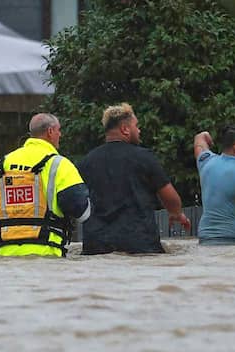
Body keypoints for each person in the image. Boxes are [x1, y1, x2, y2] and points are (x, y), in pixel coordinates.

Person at [78, 103, 189, 255]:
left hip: (96, 245)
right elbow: (170, 197)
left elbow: (77, 201)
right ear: (125, 129)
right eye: (136, 126)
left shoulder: (86, 162)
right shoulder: (144, 157)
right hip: (139, 244)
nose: (139, 130)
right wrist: (176, 213)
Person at [0, 113, 90, 257]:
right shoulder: (60, 165)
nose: (60, 134)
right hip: (47, 254)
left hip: (3, 257)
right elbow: (82, 212)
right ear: (50, 131)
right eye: (59, 130)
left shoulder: (4, 163)